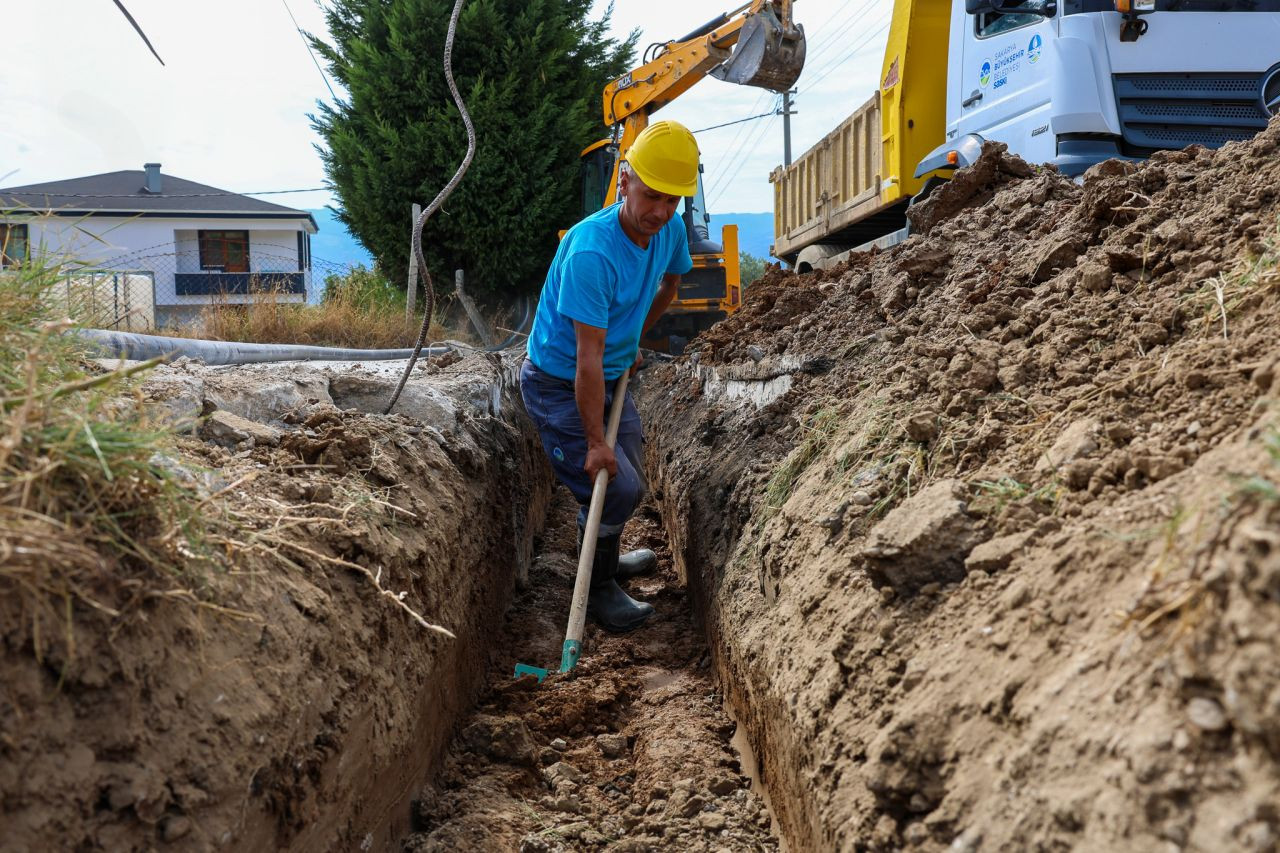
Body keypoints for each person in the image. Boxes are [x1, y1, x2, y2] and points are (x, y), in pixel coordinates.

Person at [520, 120, 699, 633]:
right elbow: (586, 359)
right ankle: (597, 588)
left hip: (606, 365)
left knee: (633, 457)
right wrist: (595, 440)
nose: (660, 212)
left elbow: (670, 283)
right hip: (558, 381)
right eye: (651, 196)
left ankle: (604, 552)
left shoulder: (668, 229)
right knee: (609, 482)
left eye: (673, 202)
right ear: (624, 181)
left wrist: (634, 338)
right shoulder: (591, 253)